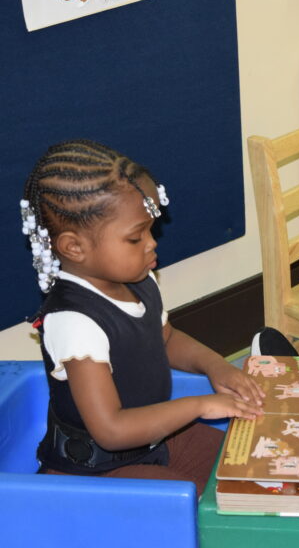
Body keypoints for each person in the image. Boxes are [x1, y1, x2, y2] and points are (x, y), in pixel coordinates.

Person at [20, 139, 265, 495]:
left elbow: (165, 338)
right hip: (97, 472)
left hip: (153, 440)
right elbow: (112, 430)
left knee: (246, 471)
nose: (152, 244)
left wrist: (217, 367)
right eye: (136, 238)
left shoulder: (137, 279)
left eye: (151, 230)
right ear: (75, 247)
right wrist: (199, 404)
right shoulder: (74, 321)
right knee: (205, 514)